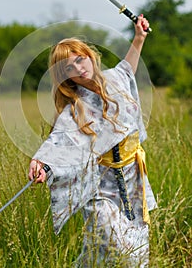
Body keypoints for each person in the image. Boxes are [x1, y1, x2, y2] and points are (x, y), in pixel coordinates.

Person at [28, 14, 157, 267]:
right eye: (69, 68)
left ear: (89, 55)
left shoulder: (117, 78)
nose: (78, 68)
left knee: (123, 251)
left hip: (134, 181)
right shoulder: (74, 109)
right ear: (65, 77)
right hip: (100, 189)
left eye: (80, 59)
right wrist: (41, 163)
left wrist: (139, 37)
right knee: (124, 251)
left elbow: (128, 68)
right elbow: (58, 141)